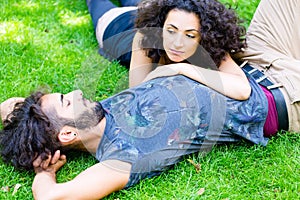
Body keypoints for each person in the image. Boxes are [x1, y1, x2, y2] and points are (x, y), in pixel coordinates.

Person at [1, 72, 267, 199]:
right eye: (67, 102)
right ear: (69, 133)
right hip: (278, 97)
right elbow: (50, 199)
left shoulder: (99, 111)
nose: (76, 93)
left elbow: (8, 106)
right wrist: (44, 173)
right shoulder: (120, 159)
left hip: (252, 66)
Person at [87, 0, 251, 101]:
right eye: (171, 32)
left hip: (153, 11)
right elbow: (138, 94)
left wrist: (181, 68)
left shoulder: (210, 45)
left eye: (190, 35)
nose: (177, 44)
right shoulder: (145, 36)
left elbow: (242, 89)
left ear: (205, 36)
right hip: (118, 25)